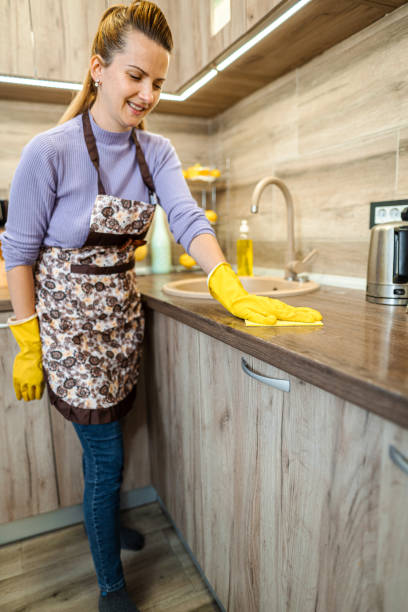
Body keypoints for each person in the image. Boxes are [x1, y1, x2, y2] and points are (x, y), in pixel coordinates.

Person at [1, 2, 322, 610]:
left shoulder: (158, 152)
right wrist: (27, 339)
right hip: (68, 333)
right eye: (135, 77)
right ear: (99, 69)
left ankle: (106, 522)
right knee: (106, 452)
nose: (148, 93)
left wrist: (227, 281)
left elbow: (185, 216)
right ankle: (110, 585)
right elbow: (17, 251)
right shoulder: (51, 151)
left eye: (158, 82)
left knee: (109, 442)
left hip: (120, 324)